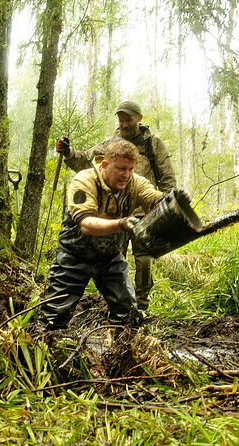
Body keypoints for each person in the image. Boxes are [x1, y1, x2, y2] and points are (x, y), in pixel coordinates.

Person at [40, 139, 186, 330]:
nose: (126, 175)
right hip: (74, 256)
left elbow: (154, 198)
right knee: (54, 316)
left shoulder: (135, 183)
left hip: (109, 258)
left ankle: (121, 351)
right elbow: (86, 224)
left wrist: (173, 200)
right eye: (121, 169)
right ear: (105, 165)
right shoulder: (84, 180)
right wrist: (121, 224)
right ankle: (47, 349)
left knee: (128, 312)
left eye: (131, 169)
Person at [55, 100, 176, 311]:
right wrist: (68, 152)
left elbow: (166, 179)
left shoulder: (153, 144)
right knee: (111, 259)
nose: (124, 124)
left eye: (128, 120)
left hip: (143, 212)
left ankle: (140, 305)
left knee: (143, 260)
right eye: (121, 120)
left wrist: (169, 206)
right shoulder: (111, 144)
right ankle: (111, 302)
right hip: (112, 213)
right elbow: (85, 160)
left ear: (139, 119)